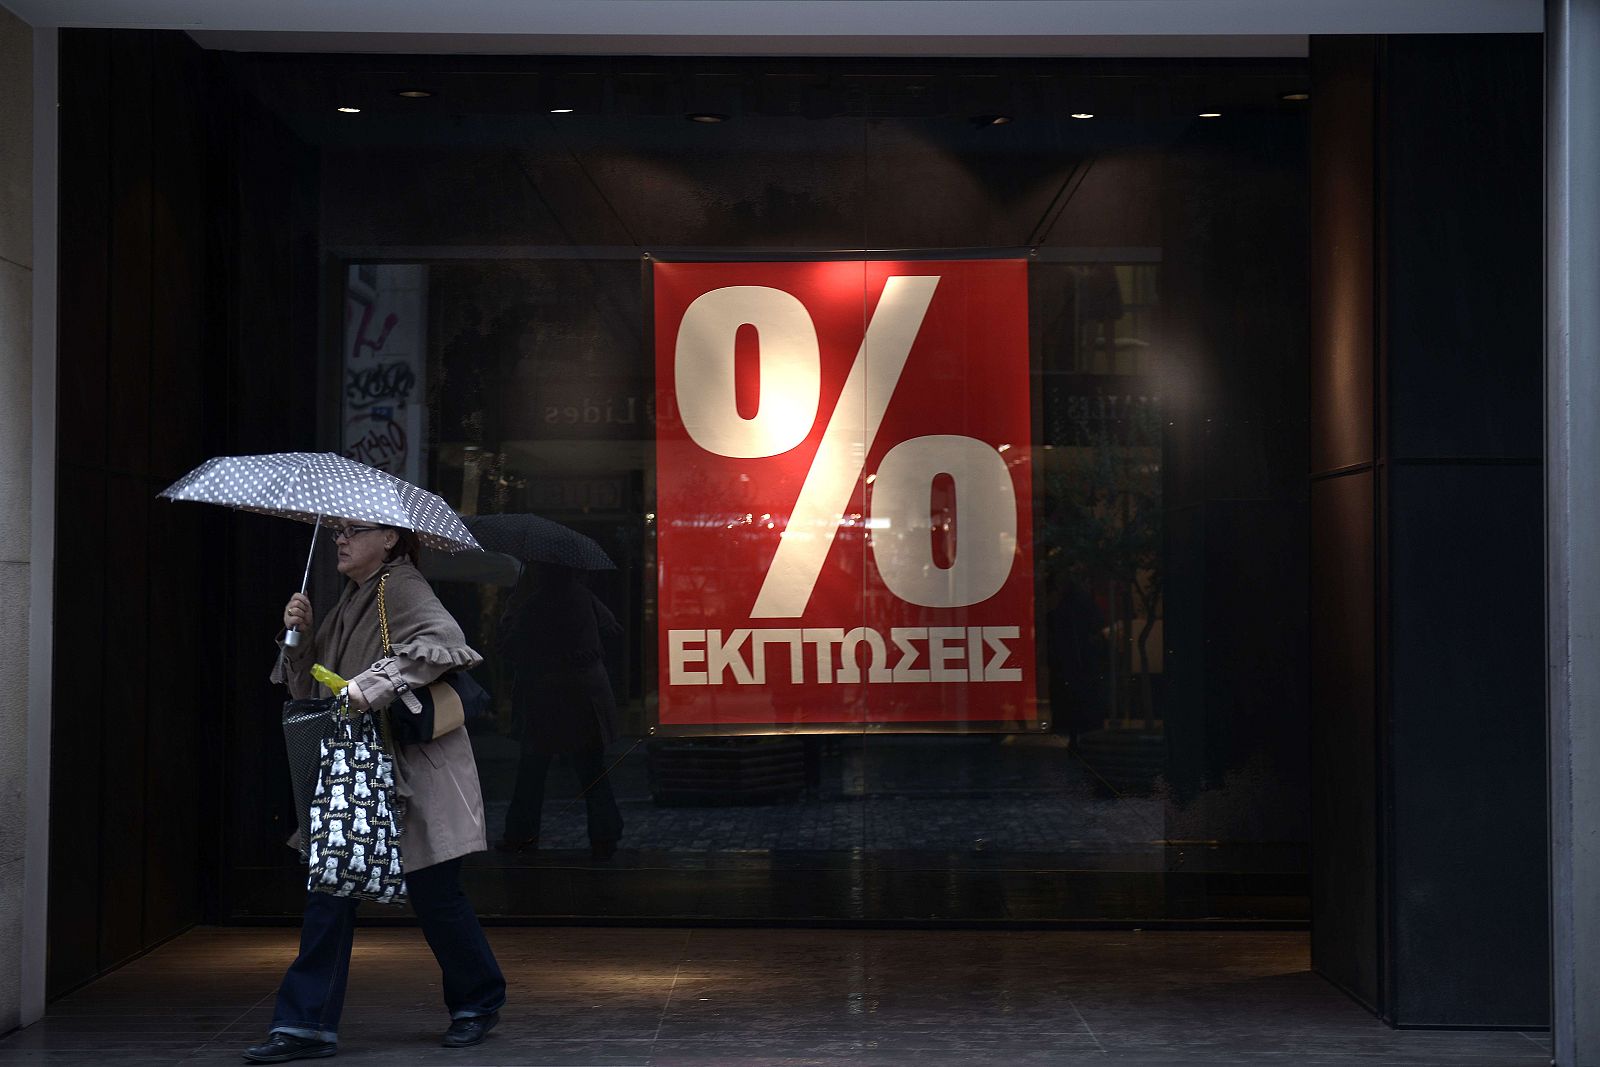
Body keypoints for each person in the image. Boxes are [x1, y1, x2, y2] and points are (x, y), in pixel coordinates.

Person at [244, 521, 507, 1064]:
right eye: (338, 532)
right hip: (358, 772)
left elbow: (446, 644)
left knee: (436, 896)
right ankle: (304, 1024)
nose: (341, 539)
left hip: (410, 774)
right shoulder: (350, 599)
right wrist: (299, 636)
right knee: (331, 892)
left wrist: (375, 684)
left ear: (389, 539)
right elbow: (310, 690)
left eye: (354, 531)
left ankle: (478, 1002)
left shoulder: (401, 585)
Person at [496, 563, 624, 860]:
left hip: (548, 698)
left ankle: (521, 835)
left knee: (533, 772)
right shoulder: (583, 597)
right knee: (591, 769)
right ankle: (605, 835)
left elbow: (513, 647)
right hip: (582, 697)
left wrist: (511, 614)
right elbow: (612, 629)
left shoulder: (536, 604)